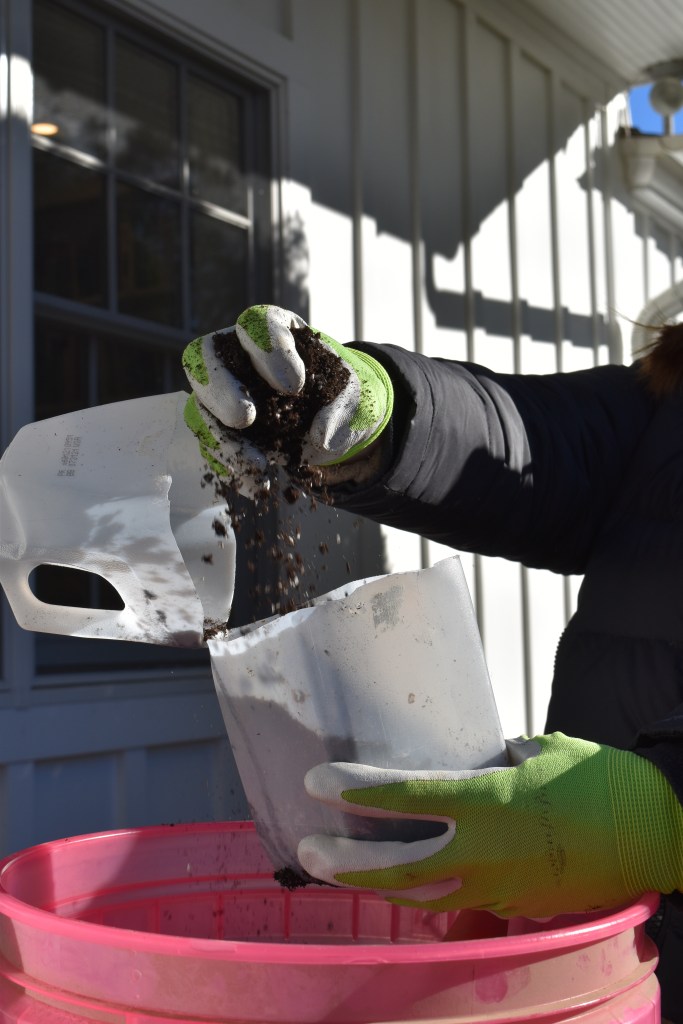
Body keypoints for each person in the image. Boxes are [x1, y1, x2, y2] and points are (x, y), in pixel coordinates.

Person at [183, 303, 683, 1021]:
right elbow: (530, 442)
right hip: (581, 938)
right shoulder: (666, 406)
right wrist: (371, 408)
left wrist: (666, 813)